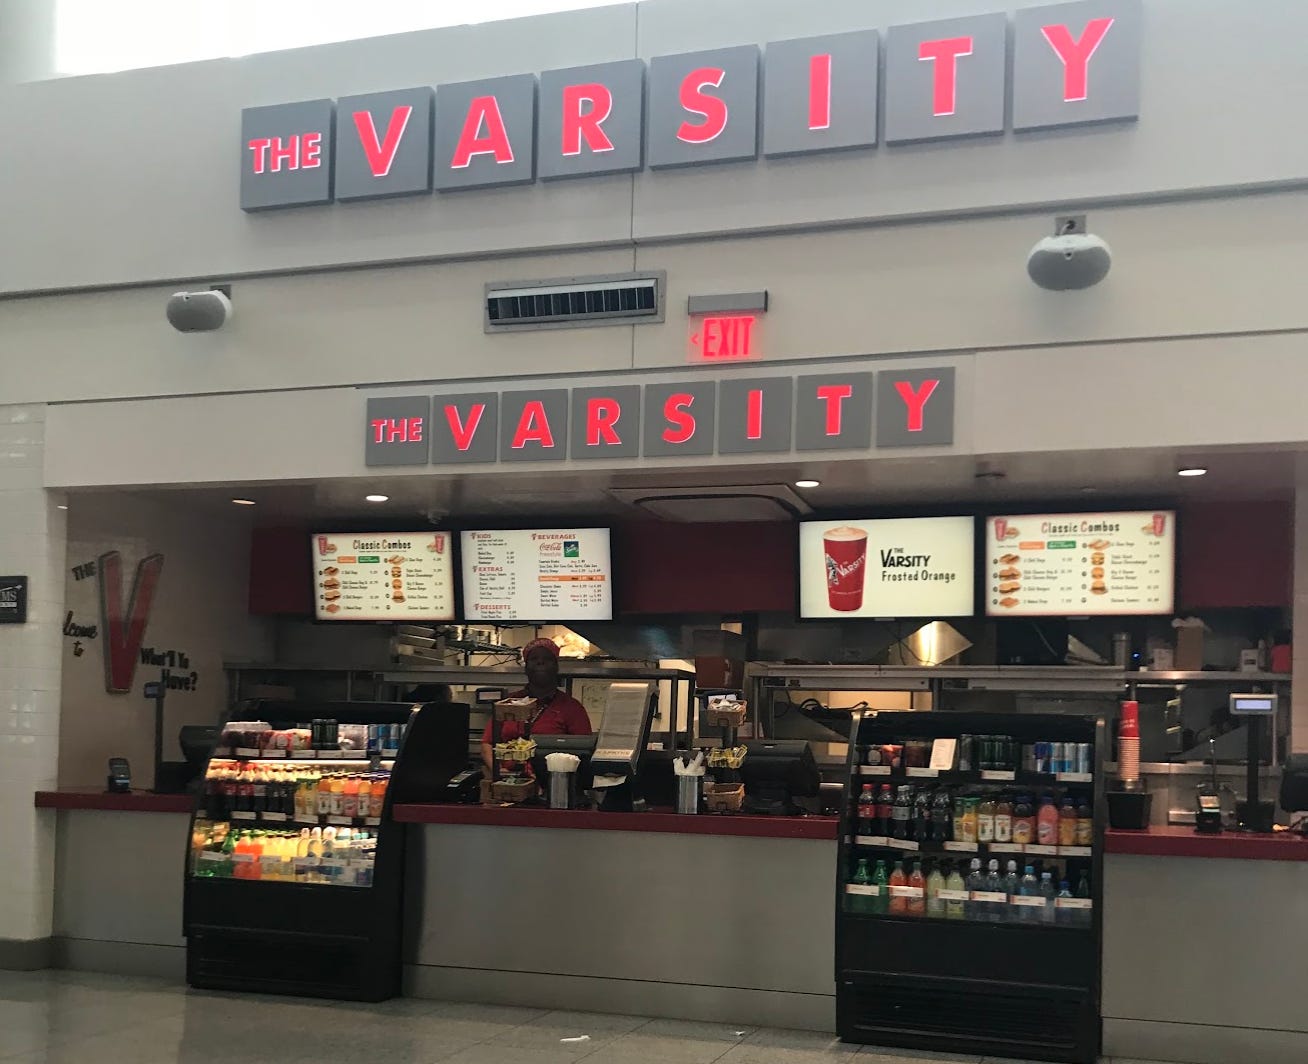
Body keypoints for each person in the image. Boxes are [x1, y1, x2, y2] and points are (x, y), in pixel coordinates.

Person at [481, 638, 592, 774]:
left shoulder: (572, 708)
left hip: (552, 780)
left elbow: (584, 751)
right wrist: (499, 771)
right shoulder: (508, 703)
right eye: (534, 659)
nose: (540, 662)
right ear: (526, 668)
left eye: (547, 658)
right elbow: (487, 743)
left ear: (556, 667)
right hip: (508, 781)